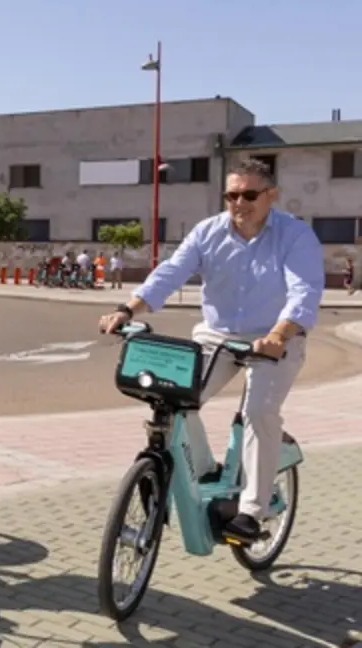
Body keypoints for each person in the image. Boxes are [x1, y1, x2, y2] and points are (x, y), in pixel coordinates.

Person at [97, 157, 324, 543]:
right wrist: (127, 310)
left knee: (258, 411)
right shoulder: (209, 231)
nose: (239, 203)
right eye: (231, 195)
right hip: (218, 336)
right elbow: (170, 273)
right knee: (174, 397)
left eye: (249, 195)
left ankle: (251, 511)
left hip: (274, 339)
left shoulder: (295, 235)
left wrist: (278, 335)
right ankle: (203, 469)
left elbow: (304, 292)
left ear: (271, 195)